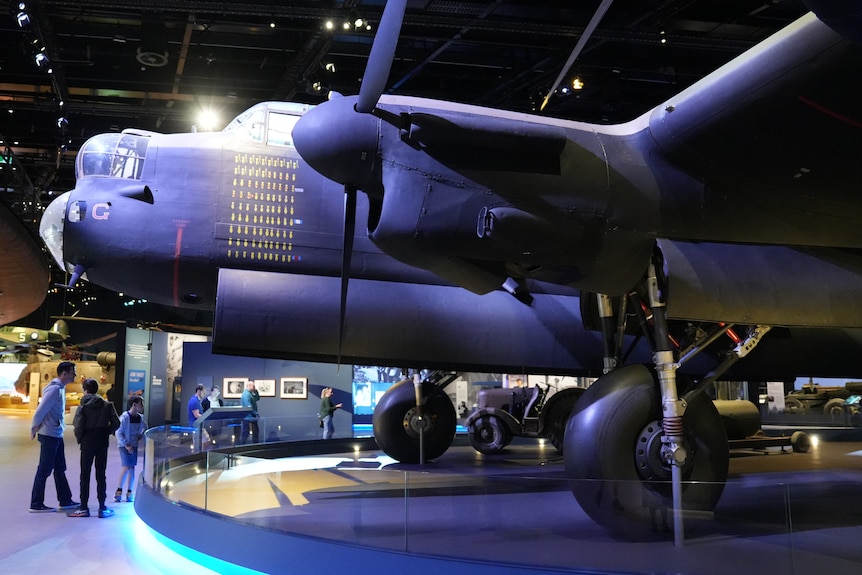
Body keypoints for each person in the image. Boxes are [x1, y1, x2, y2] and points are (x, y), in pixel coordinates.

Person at [29, 361, 79, 513]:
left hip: (56, 433)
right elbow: (40, 410)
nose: (75, 375)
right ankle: (36, 504)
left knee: (59, 468)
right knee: (44, 469)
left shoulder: (60, 388)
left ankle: (65, 500)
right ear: (64, 373)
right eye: (72, 372)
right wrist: (34, 427)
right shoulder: (55, 390)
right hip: (50, 434)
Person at [69, 378, 120, 518]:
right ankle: (102, 507)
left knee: (85, 475)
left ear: (85, 390)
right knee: (101, 474)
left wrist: (80, 438)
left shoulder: (83, 406)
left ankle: (84, 507)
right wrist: (107, 432)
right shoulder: (107, 405)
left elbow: (78, 425)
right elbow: (116, 422)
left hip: (87, 442)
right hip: (102, 442)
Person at [114, 395, 147, 504]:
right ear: (134, 405)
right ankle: (119, 490)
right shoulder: (124, 418)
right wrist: (126, 444)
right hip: (124, 446)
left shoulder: (140, 418)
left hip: (134, 445)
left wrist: (140, 436)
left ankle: (129, 492)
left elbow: (145, 428)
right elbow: (118, 432)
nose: (142, 406)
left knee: (132, 468)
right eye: (141, 404)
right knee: (126, 467)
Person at [240, 380, 259, 444]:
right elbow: (249, 406)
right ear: (249, 386)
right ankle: (243, 444)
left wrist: (256, 391)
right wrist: (256, 413)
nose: (254, 387)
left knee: (255, 431)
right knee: (246, 431)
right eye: (253, 386)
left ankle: (255, 443)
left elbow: (257, 398)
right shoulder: (246, 394)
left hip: (251, 416)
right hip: (247, 416)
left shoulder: (250, 393)